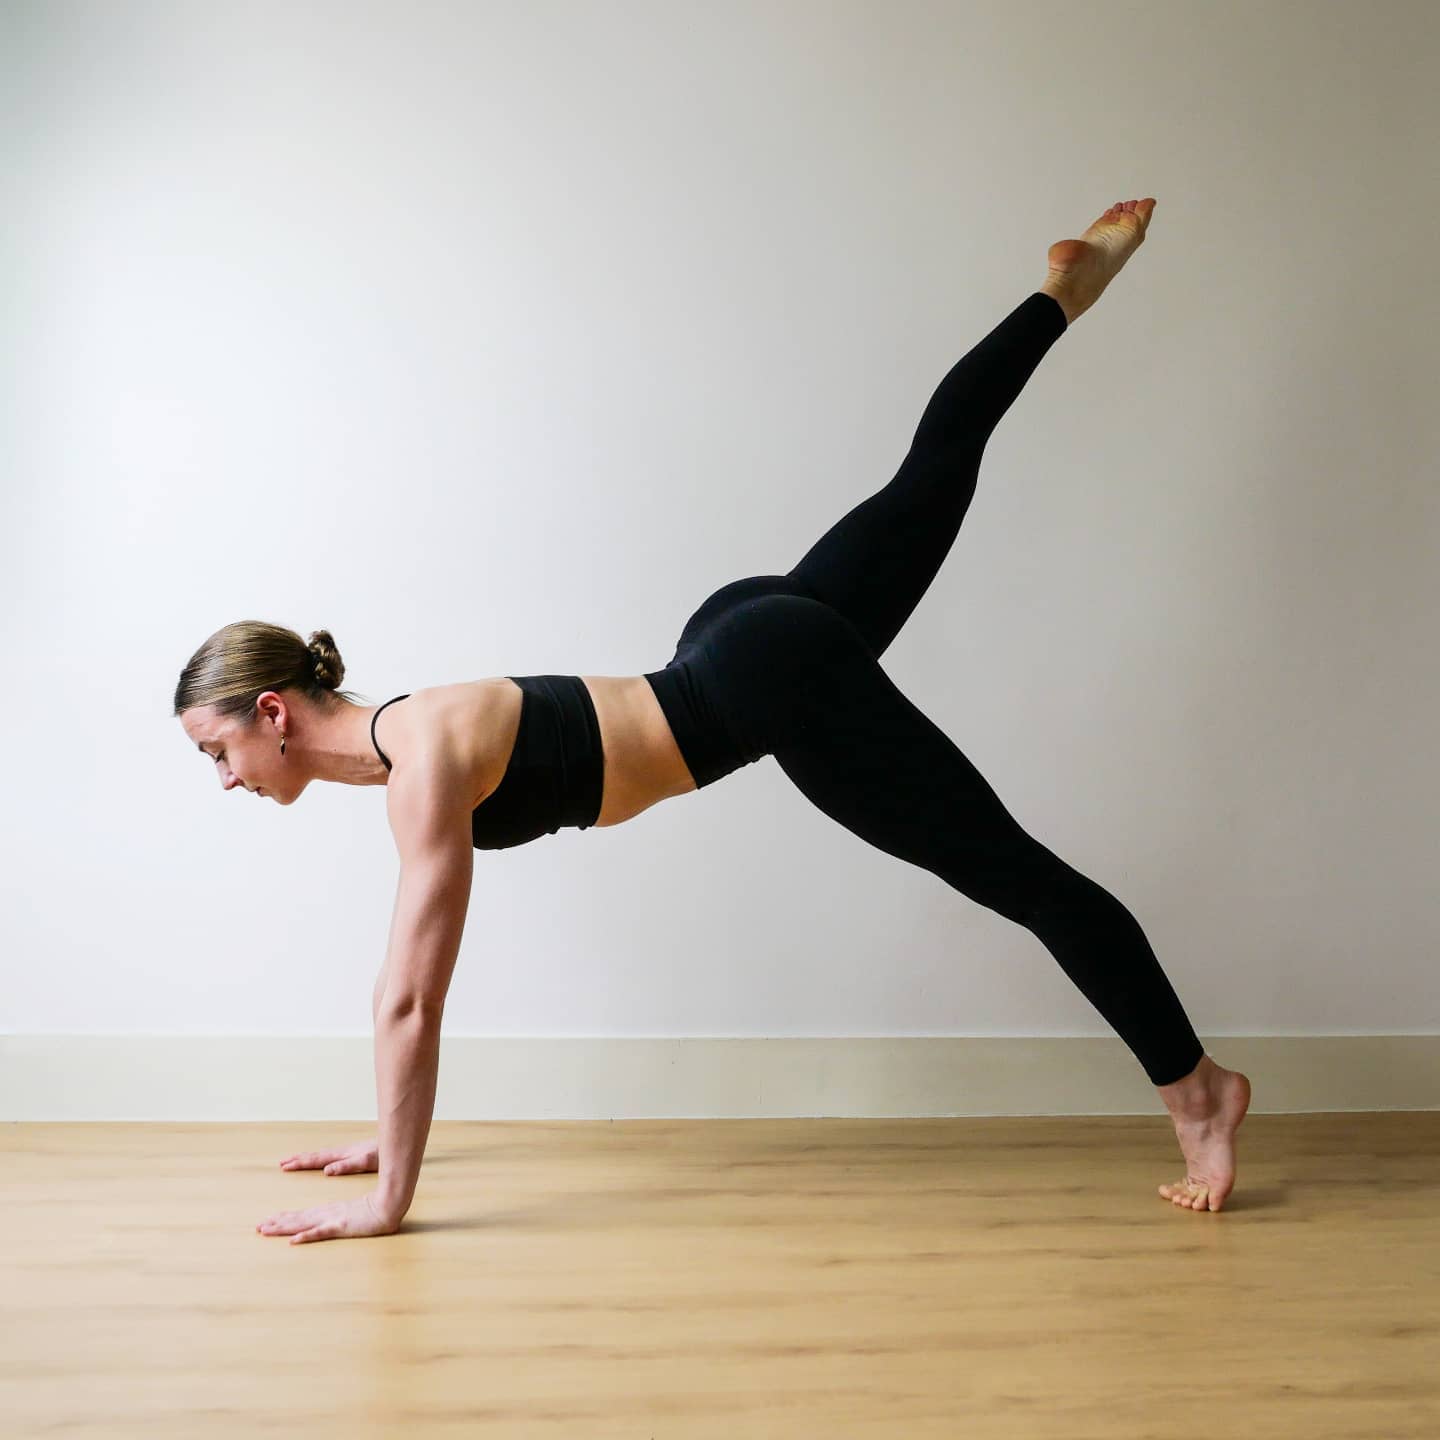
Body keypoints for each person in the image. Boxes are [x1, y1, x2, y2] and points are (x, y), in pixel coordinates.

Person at [178, 198, 1250, 1235]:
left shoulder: (419, 769)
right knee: (930, 476)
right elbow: (400, 1003)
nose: (223, 777)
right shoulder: (408, 739)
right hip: (735, 634)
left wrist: (387, 1196)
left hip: (762, 682)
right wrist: (386, 1135)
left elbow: (407, 1001)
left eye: (217, 750)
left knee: (1020, 875)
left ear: (272, 711)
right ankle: (1060, 294)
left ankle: (1200, 1093)